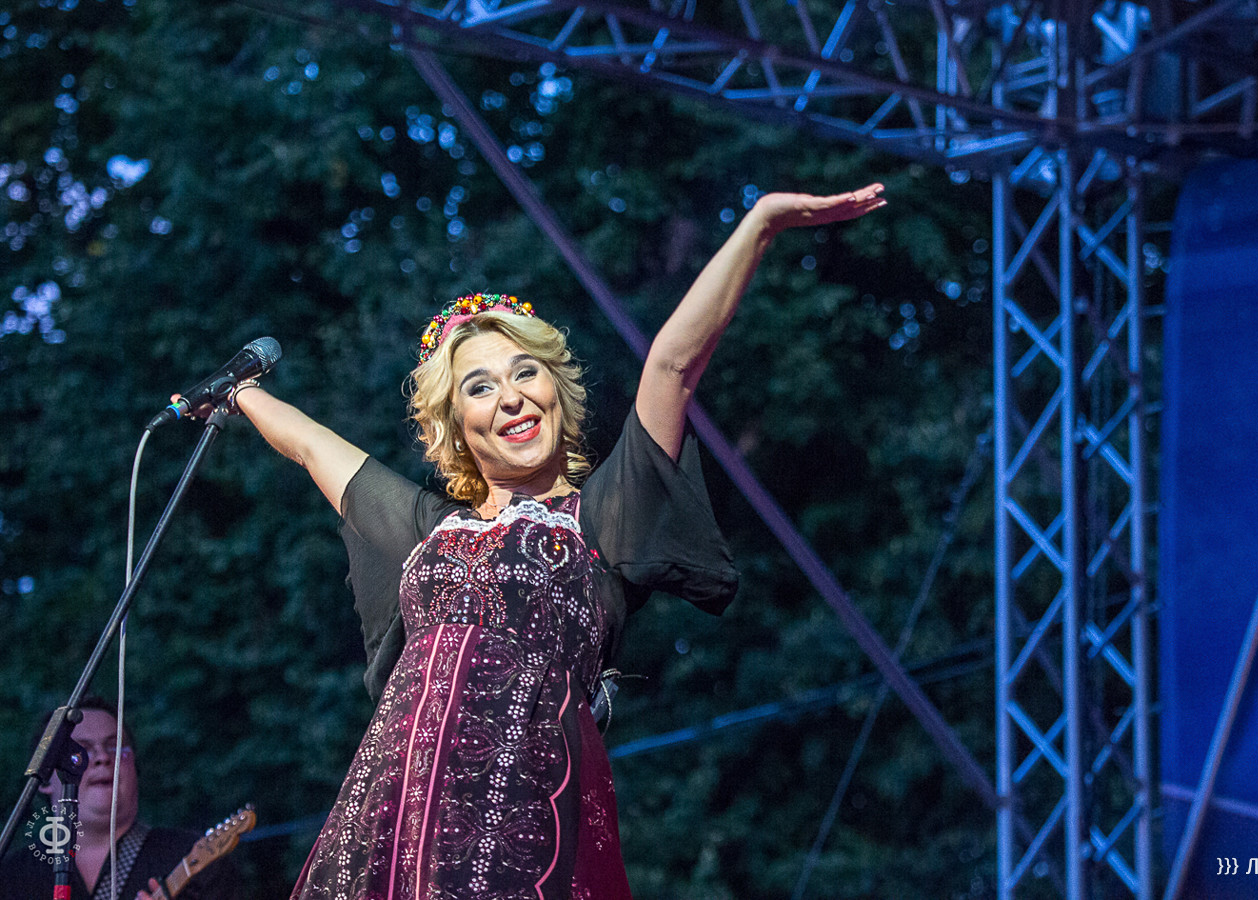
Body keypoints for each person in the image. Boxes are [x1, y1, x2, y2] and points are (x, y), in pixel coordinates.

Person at [230, 185, 886, 899]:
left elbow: (671, 366)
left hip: (517, 819)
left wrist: (760, 224)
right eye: (480, 387)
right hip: (391, 817)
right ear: (456, 426)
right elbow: (310, 445)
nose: (511, 396)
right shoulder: (429, 529)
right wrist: (232, 393)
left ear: (555, 391)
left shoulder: (600, 514)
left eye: (525, 373)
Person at [0, 697, 240, 900]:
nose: (103, 758)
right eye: (81, 751)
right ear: (44, 778)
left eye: (115, 747)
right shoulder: (11, 877)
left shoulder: (193, 857)